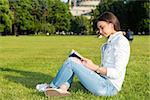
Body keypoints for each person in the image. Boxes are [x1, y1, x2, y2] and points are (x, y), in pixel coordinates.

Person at [36, 12, 130, 96]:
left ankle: (51, 87)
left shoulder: (121, 42)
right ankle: (62, 89)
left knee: (70, 62)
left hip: (109, 87)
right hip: (102, 80)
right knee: (74, 59)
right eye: (99, 29)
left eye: (102, 27)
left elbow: (117, 73)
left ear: (111, 24)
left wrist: (95, 67)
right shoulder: (110, 42)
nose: (100, 32)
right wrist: (88, 65)